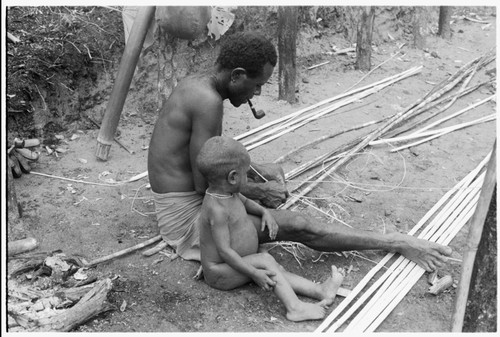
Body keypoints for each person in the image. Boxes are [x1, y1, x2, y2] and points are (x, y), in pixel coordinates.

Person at [147, 31, 452, 269]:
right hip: (186, 218)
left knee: (277, 205)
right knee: (299, 225)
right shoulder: (208, 103)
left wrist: (254, 170)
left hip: (181, 199)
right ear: (237, 75)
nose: (258, 93)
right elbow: (205, 185)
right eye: (256, 85)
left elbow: (210, 159)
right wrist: (258, 192)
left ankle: (393, 241)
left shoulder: (198, 85)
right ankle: (395, 242)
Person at [196, 136, 344, 322]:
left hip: (236, 263)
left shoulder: (228, 193)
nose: (248, 177)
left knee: (275, 268)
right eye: (246, 174)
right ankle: (295, 308)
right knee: (265, 261)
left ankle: (320, 291)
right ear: (233, 177)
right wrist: (254, 273)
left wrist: (265, 212)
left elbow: (247, 202)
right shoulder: (216, 210)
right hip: (220, 273)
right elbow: (224, 251)